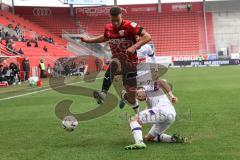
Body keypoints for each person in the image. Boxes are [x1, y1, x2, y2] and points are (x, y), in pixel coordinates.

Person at [80, 6, 151, 110]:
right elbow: (104, 37)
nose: (115, 23)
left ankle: (125, 97)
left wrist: (134, 46)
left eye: (117, 20)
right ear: (110, 18)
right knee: (115, 62)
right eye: (113, 21)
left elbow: (147, 36)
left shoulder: (130, 25)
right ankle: (103, 93)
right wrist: (88, 40)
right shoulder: (108, 27)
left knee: (132, 98)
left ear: (121, 16)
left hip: (130, 63)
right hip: (118, 60)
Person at [124, 79, 189, 150]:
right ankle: (173, 139)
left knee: (133, 119)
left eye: (138, 95)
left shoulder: (148, 85)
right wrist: (140, 121)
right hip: (171, 114)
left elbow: (162, 82)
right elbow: (149, 111)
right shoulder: (149, 100)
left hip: (162, 110)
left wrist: (171, 95)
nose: (138, 97)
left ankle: (139, 143)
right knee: (149, 138)